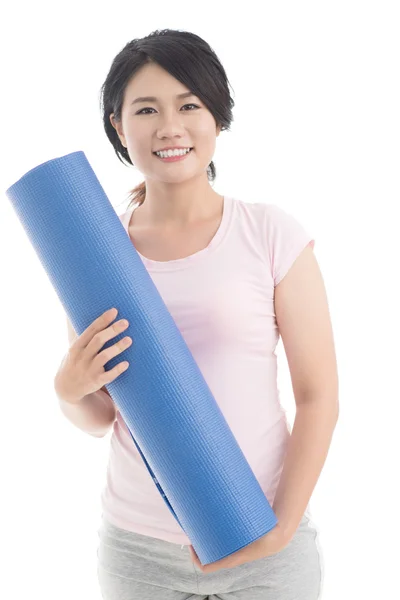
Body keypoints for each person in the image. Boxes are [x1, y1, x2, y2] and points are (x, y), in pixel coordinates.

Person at [54, 28, 339, 599]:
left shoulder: (269, 233)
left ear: (217, 117)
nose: (170, 127)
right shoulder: (96, 252)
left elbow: (318, 397)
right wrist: (68, 388)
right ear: (118, 125)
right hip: (138, 550)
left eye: (190, 105)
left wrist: (280, 530)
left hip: (260, 535)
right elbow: (102, 417)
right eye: (146, 109)